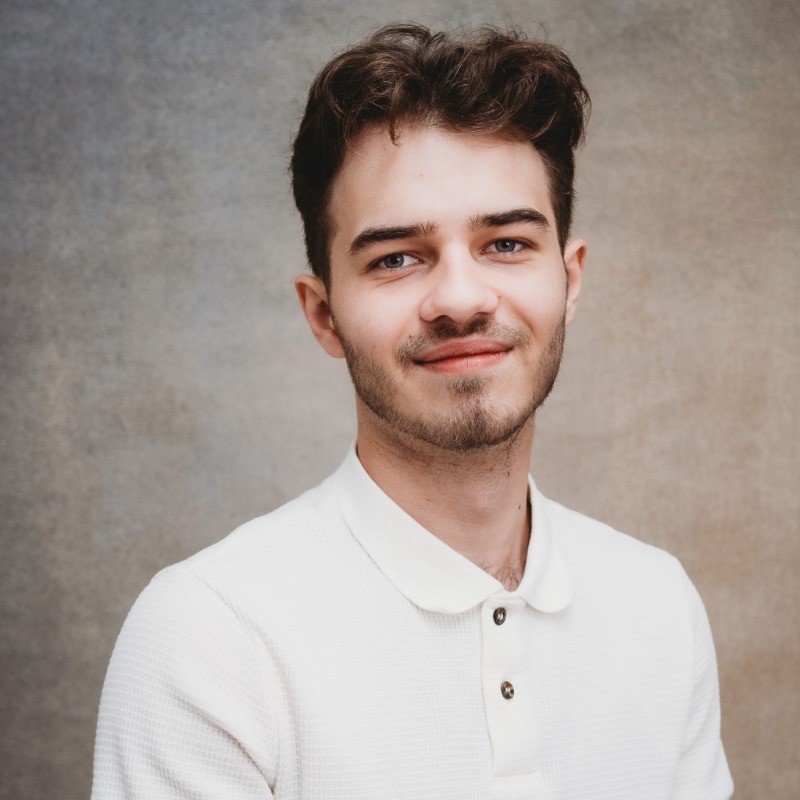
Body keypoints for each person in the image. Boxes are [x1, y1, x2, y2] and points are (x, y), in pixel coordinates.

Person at [92, 23, 733, 799]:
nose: (461, 299)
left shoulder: (658, 606)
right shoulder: (209, 637)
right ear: (323, 313)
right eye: (397, 257)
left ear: (570, 282)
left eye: (505, 243)